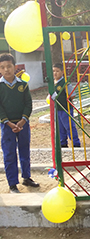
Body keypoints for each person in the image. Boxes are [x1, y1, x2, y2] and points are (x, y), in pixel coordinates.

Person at [0, 53, 39, 193]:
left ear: (15, 67)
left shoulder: (22, 84)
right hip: (6, 126)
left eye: (9, 66)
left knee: (24, 150)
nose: (6, 70)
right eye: (2, 67)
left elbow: (28, 103)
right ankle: (12, 183)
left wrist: (23, 121)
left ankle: (27, 177)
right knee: (9, 153)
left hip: (23, 124)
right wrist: (9, 123)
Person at [52, 63, 81, 148]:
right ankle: (63, 143)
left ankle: (76, 143)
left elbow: (72, 95)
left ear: (62, 72)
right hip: (57, 108)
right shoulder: (53, 83)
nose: (55, 73)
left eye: (57, 71)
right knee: (60, 127)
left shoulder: (65, 82)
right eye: (53, 71)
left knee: (69, 126)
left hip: (65, 108)